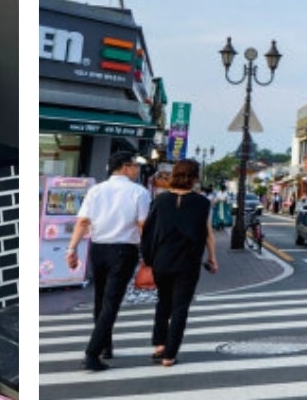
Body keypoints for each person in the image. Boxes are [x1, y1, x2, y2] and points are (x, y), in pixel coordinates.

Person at [65, 152, 151, 371]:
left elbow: (83, 221)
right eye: (134, 166)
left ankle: (105, 346)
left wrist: (72, 249)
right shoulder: (139, 192)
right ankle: (92, 353)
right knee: (111, 302)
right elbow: (143, 225)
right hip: (124, 249)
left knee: (100, 298)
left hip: (98, 248)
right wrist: (149, 253)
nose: (137, 169)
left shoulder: (96, 190)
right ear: (124, 167)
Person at [141, 158, 217, 367]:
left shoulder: (160, 200)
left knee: (163, 301)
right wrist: (212, 258)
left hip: (161, 261)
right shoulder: (202, 202)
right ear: (194, 178)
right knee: (180, 307)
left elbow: (148, 232)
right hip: (188, 261)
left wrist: (148, 258)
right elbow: (208, 234)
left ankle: (159, 344)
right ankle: (170, 354)